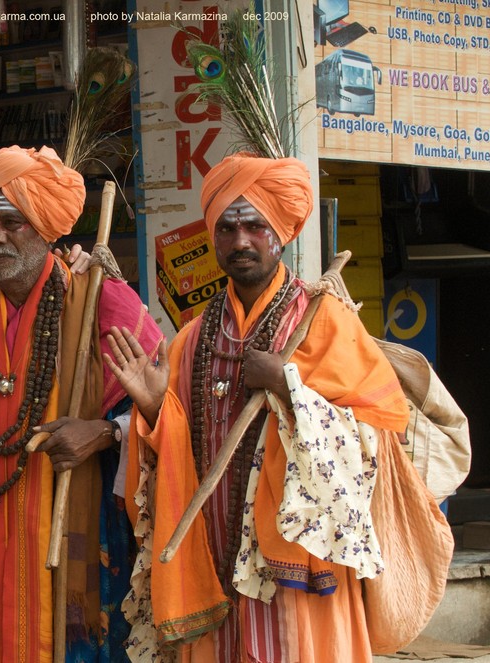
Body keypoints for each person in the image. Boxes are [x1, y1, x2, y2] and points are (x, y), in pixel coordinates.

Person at [104, 153, 425, 662]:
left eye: (255, 225)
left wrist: (289, 386)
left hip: (294, 568)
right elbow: (173, 452)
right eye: (228, 228)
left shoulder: (326, 323)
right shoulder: (190, 339)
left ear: (281, 233)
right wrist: (151, 406)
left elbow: (380, 433)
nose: (240, 241)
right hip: (210, 554)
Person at [0, 145, 163, 661]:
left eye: (14, 222)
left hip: (72, 523)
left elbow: (162, 407)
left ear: (47, 227)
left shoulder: (103, 298)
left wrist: (104, 433)